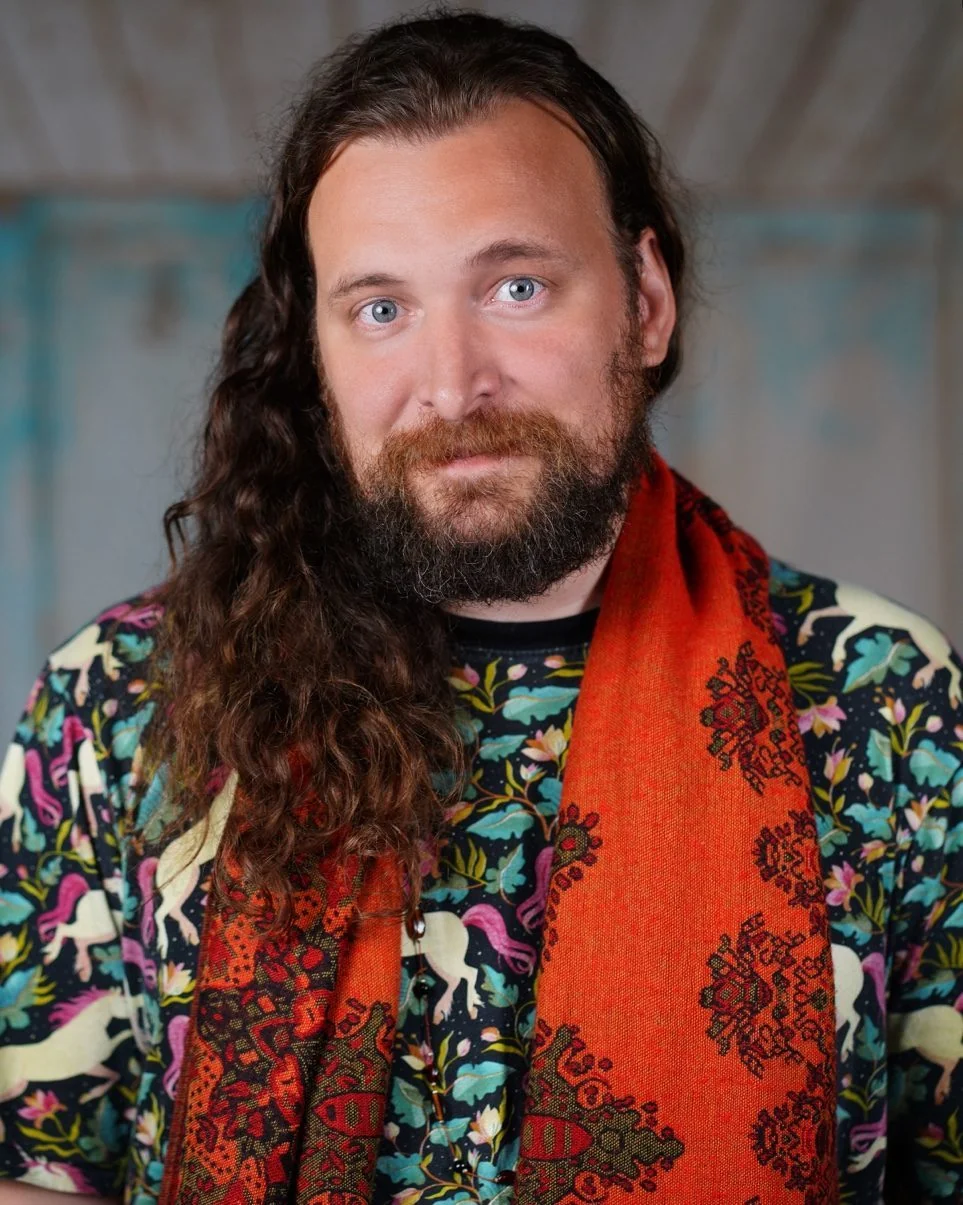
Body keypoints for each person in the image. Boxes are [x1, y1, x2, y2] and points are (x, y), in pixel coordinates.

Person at [0, 9, 960, 1205]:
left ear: (645, 300)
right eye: (382, 309)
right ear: (317, 351)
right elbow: (31, 1166)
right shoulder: (120, 701)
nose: (453, 385)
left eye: (515, 285)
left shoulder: (890, 703)